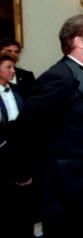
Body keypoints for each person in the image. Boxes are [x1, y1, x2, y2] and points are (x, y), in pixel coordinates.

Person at [6, 14, 83, 238]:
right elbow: (25, 127)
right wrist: (23, 172)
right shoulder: (59, 77)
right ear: (79, 41)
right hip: (63, 187)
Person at [0, 52, 29, 238]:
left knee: (22, 200)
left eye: (13, 67)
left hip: (18, 149)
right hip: (2, 150)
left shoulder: (18, 91)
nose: (12, 71)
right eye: (8, 67)